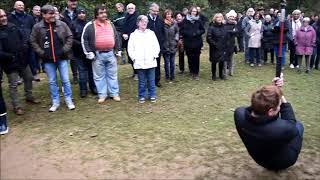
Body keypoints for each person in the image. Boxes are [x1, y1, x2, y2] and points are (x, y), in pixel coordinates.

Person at [234, 75, 304, 171]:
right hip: (283, 161)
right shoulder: (280, 129)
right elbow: (291, 124)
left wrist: (275, 91)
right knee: (299, 126)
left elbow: (256, 105)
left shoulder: (239, 114)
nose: (280, 106)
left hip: (258, 159)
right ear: (270, 111)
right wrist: (282, 98)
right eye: (280, 105)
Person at [30, 5, 75, 112]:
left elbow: (70, 37)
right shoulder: (37, 27)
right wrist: (41, 52)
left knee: (65, 80)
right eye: (50, 13)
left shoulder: (62, 24)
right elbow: (32, 41)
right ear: (43, 15)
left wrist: (65, 49)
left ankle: (69, 100)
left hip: (62, 58)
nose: (53, 15)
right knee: (52, 81)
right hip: (47, 60)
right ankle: (55, 102)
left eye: (53, 13)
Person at [1, 9, 39, 116]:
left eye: (4, 15)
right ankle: (16, 106)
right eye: (1, 17)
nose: (3, 18)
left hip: (22, 60)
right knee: (13, 85)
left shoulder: (13, 26)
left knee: (29, 78)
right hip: (9, 63)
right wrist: (10, 56)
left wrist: (24, 47)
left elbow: (23, 38)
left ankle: (29, 96)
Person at [81, 4, 121, 103]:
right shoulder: (90, 25)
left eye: (105, 12)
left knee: (112, 75)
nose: (104, 14)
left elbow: (116, 37)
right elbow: (84, 39)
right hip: (97, 55)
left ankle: (114, 94)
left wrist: (118, 49)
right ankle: (102, 95)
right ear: (96, 15)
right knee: (99, 76)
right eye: (101, 13)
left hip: (111, 53)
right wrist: (88, 52)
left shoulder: (110, 24)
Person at [127, 15, 160, 103]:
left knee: (151, 80)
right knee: (142, 81)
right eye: (142, 21)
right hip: (139, 62)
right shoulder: (133, 35)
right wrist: (134, 59)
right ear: (138, 23)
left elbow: (156, 46)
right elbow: (130, 48)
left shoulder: (151, 33)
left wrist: (154, 55)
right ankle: (142, 96)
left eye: (146, 21)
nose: (144, 23)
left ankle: (152, 95)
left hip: (151, 61)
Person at [70, 8, 97, 98]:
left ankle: (93, 87)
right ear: (77, 14)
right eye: (79, 13)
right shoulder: (73, 24)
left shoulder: (89, 24)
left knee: (91, 71)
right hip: (78, 52)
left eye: (83, 13)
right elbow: (71, 38)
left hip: (89, 51)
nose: (81, 15)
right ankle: (83, 90)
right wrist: (81, 44)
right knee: (82, 71)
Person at [180, 6, 205, 80]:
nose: (194, 12)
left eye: (195, 11)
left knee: (196, 58)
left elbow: (203, 30)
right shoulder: (185, 20)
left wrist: (197, 32)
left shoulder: (199, 20)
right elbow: (181, 30)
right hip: (188, 42)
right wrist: (188, 33)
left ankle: (196, 73)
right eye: (193, 11)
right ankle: (191, 72)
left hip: (197, 42)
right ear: (190, 12)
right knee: (190, 57)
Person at [61, 0, 79, 84]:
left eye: (75, 1)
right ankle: (75, 76)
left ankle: (84, 74)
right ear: (67, 2)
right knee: (72, 58)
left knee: (82, 57)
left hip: (78, 38)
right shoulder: (62, 14)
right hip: (67, 39)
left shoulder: (80, 11)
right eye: (72, 1)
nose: (74, 3)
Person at [147, 3, 165, 87]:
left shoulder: (160, 19)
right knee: (149, 63)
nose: (156, 13)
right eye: (154, 11)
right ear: (150, 10)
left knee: (157, 63)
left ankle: (157, 80)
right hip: (148, 46)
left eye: (157, 11)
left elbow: (163, 32)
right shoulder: (145, 20)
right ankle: (149, 80)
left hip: (158, 46)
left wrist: (162, 42)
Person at [207, 13, 227, 80]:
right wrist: (215, 44)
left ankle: (221, 75)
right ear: (215, 18)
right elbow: (209, 38)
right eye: (218, 17)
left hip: (222, 47)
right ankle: (213, 75)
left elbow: (226, 36)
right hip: (214, 48)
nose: (219, 18)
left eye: (221, 17)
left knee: (221, 61)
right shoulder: (211, 27)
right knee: (214, 61)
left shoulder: (224, 26)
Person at [122, 3, 139, 80]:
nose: (130, 9)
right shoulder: (126, 16)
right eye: (129, 8)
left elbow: (136, 29)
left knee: (135, 56)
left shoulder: (137, 17)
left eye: (132, 8)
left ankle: (137, 73)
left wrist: (128, 34)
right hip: (127, 40)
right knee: (130, 56)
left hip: (135, 40)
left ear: (134, 9)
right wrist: (123, 34)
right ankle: (134, 72)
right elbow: (124, 26)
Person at [162, 9, 179, 82]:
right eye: (167, 14)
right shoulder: (162, 23)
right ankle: (167, 76)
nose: (168, 15)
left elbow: (177, 32)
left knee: (172, 63)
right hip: (165, 45)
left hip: (173, 45)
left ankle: (172, 76)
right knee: (166, 63)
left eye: (170, 14)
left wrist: (176, 39)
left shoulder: (175, 23)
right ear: (165, 15)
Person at [224, 10, 239, 77]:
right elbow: (224, 32)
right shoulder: (224, 24)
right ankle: (225, 71)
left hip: (232, 44)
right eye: (230, 18)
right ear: (228, 18)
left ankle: (231, 71)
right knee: (225, 59)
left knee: (231, 59)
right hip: (225, 44)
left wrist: (230, 32)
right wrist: (231, 31)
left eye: (233, 18)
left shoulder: (235, 25)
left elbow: (237, 32)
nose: (232, 19)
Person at [31, 5, 42, 80]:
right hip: (33, 39)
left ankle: (41, 68)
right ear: (32, 11)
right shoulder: (29, 18)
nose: (38, 11)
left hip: (41, 39)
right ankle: (35, 71)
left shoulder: (42, 18)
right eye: (36, 10)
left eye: (39, 10)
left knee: (39, 55)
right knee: (33, 56)